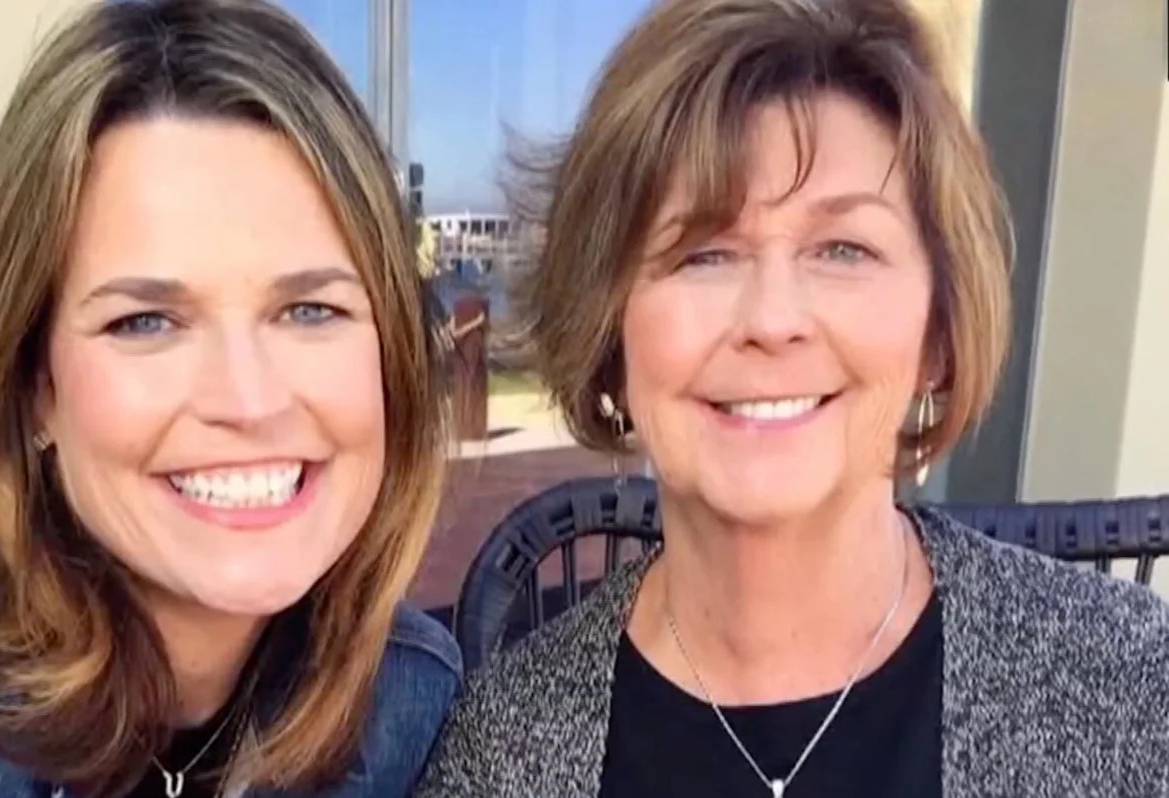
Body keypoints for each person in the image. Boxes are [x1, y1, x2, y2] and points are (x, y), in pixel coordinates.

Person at [419, 0, 1169, 796]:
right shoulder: (500, 752)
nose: (772, 321)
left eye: (843, 249)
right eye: (703, 254)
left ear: (938, 331)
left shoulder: (1132, 695)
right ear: (610, 331)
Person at [0, 1, 460, 796]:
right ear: (36, 384)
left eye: (309, 310)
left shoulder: (409, 703)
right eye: (145, 322)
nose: (250, 400)